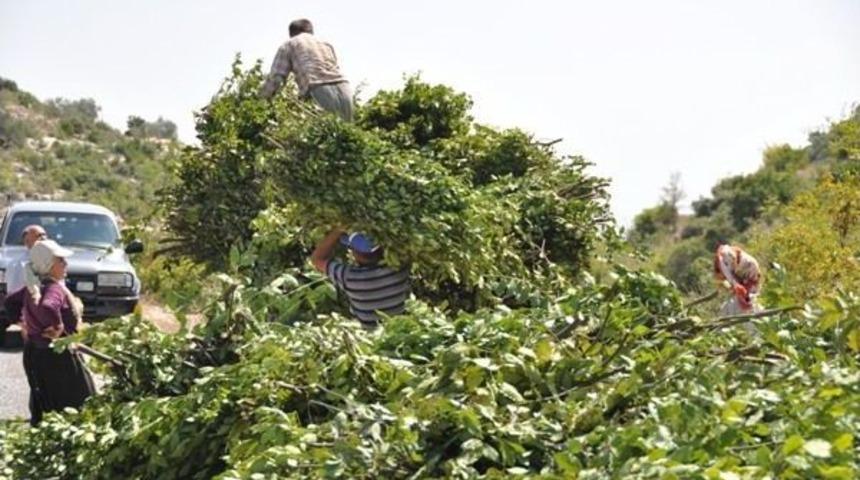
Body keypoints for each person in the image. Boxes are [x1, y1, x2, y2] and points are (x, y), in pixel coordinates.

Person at [3, 240, 95, 426]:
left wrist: (22, 324)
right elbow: (49, 305)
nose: (66, 264)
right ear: (49, 265)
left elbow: (10, 301)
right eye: (61, 260)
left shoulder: (33, 287)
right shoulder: (53, 289)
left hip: (36, 354)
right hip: (59, 357)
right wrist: (57, 326)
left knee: (44, 401)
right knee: (80, 404)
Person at [310, 229, 410, 329]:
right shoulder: (398, 268)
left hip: (371, 336)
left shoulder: (350, 277)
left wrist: (338, 230)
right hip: (399, 329)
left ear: (356, 254)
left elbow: (317, 259)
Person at [260, 18, 354, 121]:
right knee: (345, 131)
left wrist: (260, 101)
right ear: (311, 31)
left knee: (320, 133)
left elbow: (276, 79)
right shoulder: (326, 44)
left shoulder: (289, 44)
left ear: (291, 33)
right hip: (345, 90)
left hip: (318, 90)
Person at [1, 225, 47, 343]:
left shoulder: (56, 260)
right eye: (39, 236)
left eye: (45, 235)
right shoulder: (17, 265)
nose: (44, 238)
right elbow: (14, 296)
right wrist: (23, 322)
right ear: (27, 241)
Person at [713, 243, 763, 316]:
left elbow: (742, 286)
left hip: (750, 276)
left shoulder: (726, 262)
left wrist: (741, 294)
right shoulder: (726, 262)